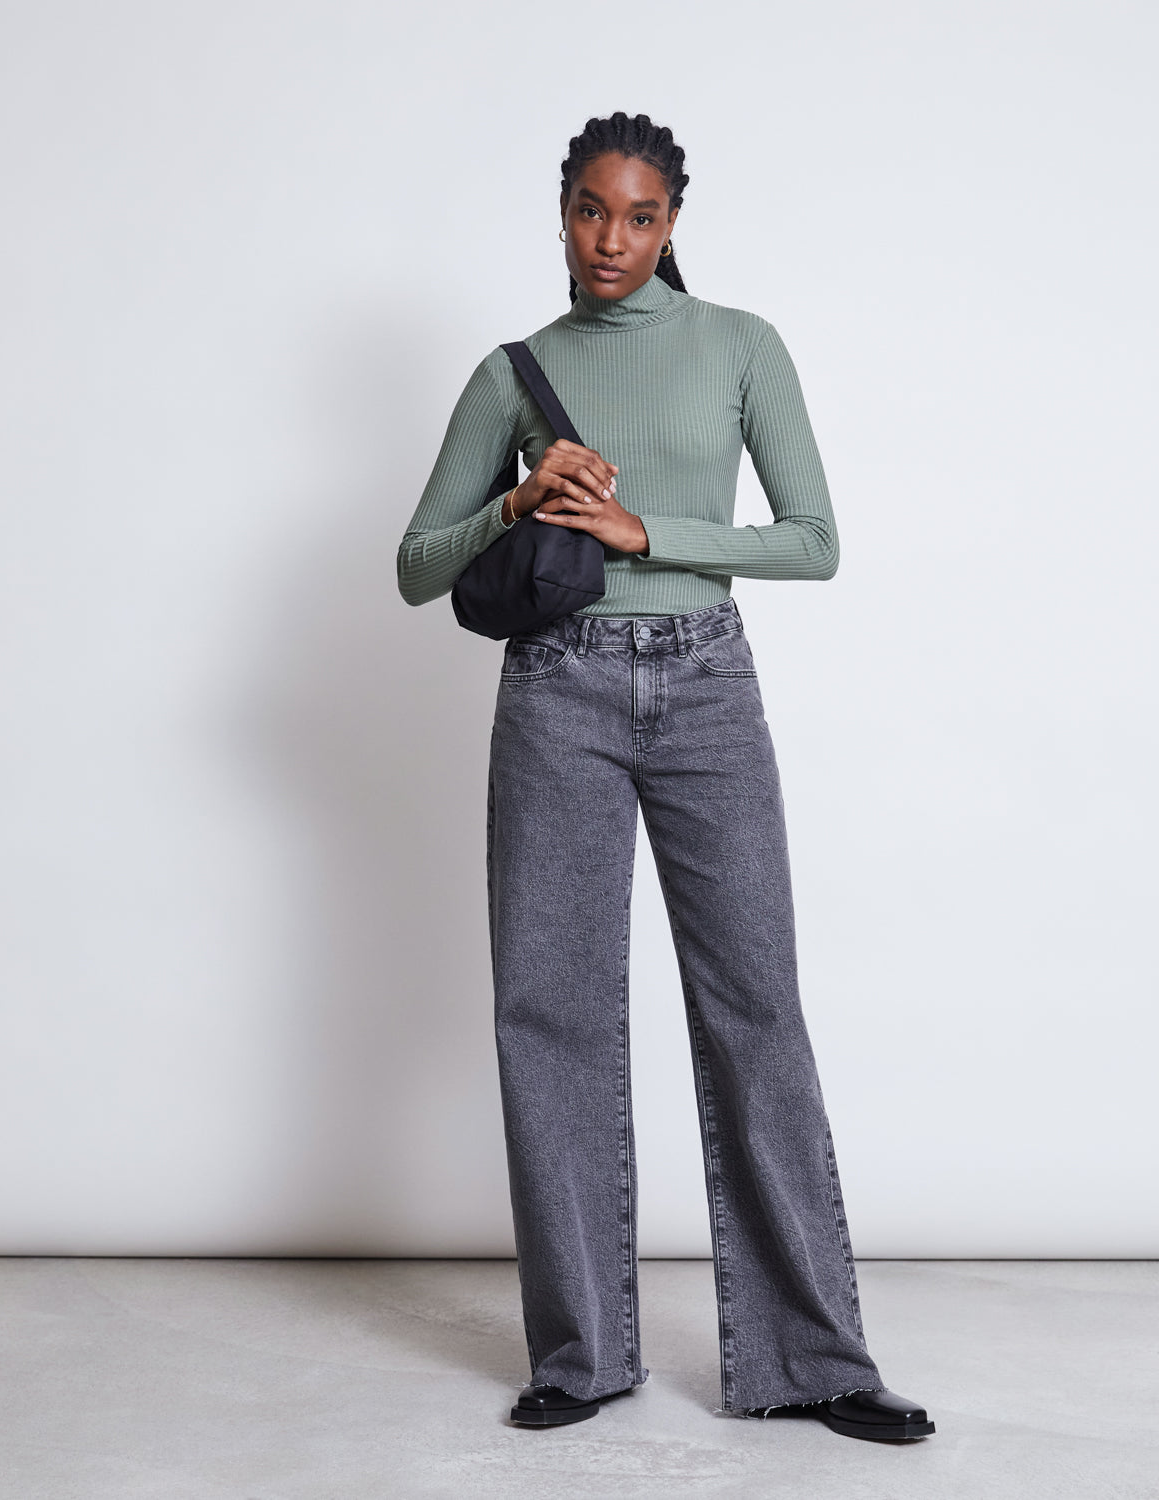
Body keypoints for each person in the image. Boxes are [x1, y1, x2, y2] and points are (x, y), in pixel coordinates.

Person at [396, 111, 935, 1445]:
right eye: (590, 211)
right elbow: (416, 564)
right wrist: (519, 504)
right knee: (553, 1014)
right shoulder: (516, 373)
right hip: (558, 693)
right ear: (562, 211)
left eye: (639, 216)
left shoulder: (741, 346)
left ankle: (816, 1359)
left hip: (705, 685)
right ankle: (579, 1356)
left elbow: (814, 543)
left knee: (755, 1010)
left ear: (673, 221)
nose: (611, 241)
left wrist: (652, 531)